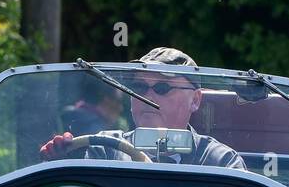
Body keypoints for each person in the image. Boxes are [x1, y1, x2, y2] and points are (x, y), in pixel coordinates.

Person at [39, 47, 245, 170]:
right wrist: (62, 166)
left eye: (162, 87)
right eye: (139, 87)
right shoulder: (105, 148)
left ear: (195, 100)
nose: (147, 96)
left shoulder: (220, 162)